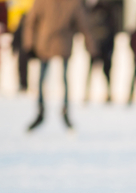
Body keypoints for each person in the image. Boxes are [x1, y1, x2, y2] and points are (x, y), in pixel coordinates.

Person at [21, 0, 94, 131]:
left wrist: (29, 45)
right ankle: (64, 110)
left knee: (43, 80)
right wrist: (92, 48)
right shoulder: (73, 3)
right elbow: (84, 25)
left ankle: (41, 110)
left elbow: (30, 21)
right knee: (62, 80)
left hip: (45, 44)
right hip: (61, 45)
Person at [83, 0, 115, 104]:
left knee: (95, 72)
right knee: (105, 73)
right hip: (102, 48)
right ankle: (106, 94)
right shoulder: (108, 11)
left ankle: (88, 93)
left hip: (98, 48)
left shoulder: (93, 11)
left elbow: (89, 31)